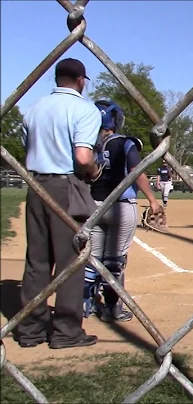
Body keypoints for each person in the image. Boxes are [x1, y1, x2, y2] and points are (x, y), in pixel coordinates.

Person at [15, 58, 102, 349]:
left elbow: (29, 149)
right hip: (66, 186)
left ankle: (29, 330)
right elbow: (82, 157)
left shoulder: (33, 109)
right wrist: (93, 172)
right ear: (81, 81)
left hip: (36, 185)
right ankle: (65, 331)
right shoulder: (84, 109)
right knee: (71, 261)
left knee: (36, 261)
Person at [82, 100, 163, 322]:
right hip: (121, 207)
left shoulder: (89, 144)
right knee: (114, 261)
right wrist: (153, 200)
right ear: (114, 120)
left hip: (95, 205)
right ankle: (111, 309)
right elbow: (137, 172)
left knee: (93, 258)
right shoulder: (126, 143)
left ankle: (84, 305)